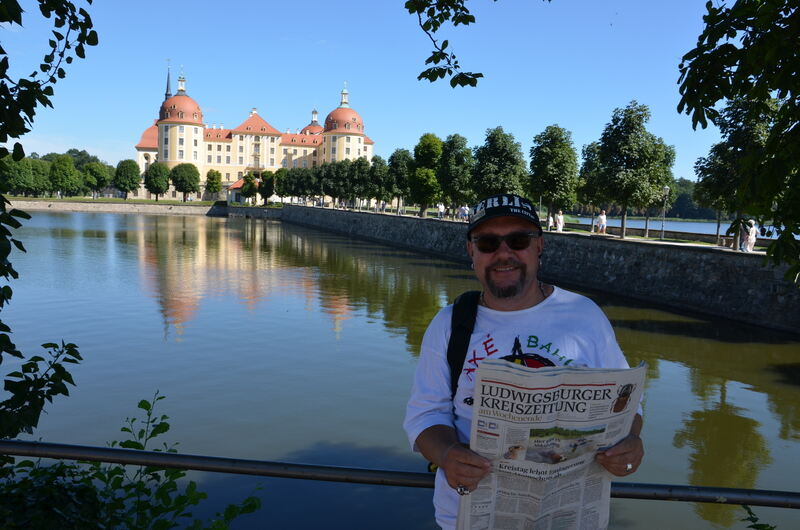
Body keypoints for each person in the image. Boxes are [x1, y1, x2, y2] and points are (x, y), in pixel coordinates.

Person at [404, 193, 643, 530]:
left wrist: (630, 447)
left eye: (518, 240)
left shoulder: (584, 316)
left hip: (568, 515)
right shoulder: (449, 323)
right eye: (487, 243)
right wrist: (446, 455)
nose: (504, 254)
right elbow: (425, 415)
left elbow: (628, 402)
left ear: (539, 247)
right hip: (469, 517)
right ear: (471, 251)